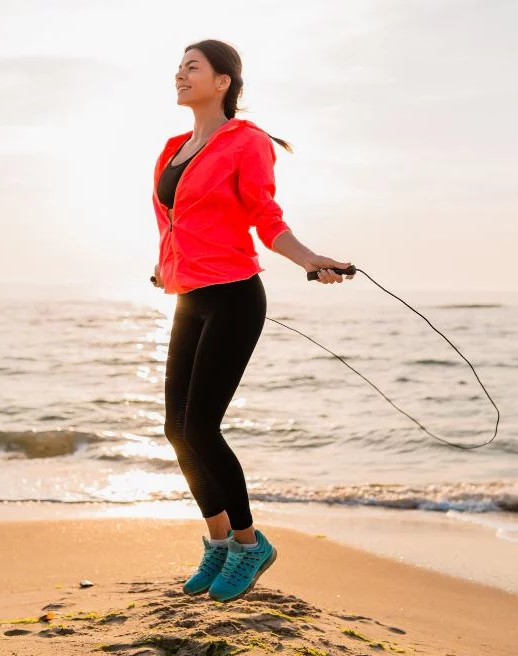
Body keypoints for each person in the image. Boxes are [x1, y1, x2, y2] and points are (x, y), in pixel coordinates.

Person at [151, 39, 353, 603]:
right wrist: (163, 270)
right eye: (179, 67)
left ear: (223, 82)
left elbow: (264, 215)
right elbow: (175, 223)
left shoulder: (246, 142)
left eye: (193, 67)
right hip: (190, 295)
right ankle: (218, 546)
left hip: (236, 296)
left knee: (201, 427)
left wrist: (310, 259)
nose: (180, 75)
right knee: (176, 427)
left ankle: (249, 544)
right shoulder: (172, 149)